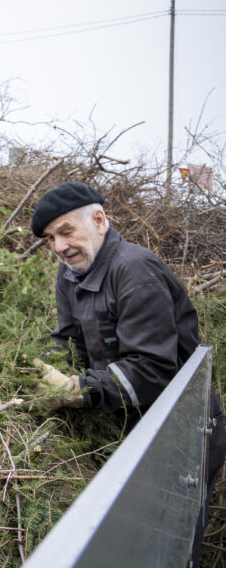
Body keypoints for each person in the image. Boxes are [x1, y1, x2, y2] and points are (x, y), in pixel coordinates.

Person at [30, 181, 225, 564]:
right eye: (51, 238)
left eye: (66, 232)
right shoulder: (70, 273)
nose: (59, 247)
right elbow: (66, 342)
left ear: (99, 220)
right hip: (129, 423)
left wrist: (76, 389)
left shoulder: (134, 270)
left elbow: (152, 370)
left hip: (182, 432)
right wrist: (40, 375)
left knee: (170, 543)